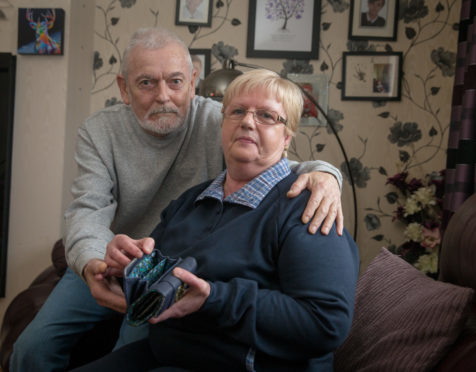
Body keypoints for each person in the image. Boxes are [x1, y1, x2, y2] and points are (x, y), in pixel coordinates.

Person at [10, 27, 345, 371]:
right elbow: (88, 211)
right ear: (124, 88)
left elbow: (268, 155)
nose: (163, 96)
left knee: (135, 341)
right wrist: (93, 263)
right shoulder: (100, 132)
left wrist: (326, 174)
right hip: (110, 258)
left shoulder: (219, 119)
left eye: (175, 82)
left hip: (168, 270)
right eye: (146, 83)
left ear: (193, 82)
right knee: (31, 348)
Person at [72, 69, 359, 372]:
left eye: (266, 116)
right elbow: (155, 278)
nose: (248, 121)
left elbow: (325, 323)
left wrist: (213, 298)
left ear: (286, 137)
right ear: (222, 125)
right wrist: (123, 266)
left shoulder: (307, 209)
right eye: (237, 111)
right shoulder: (190, 202)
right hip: (167, 354)